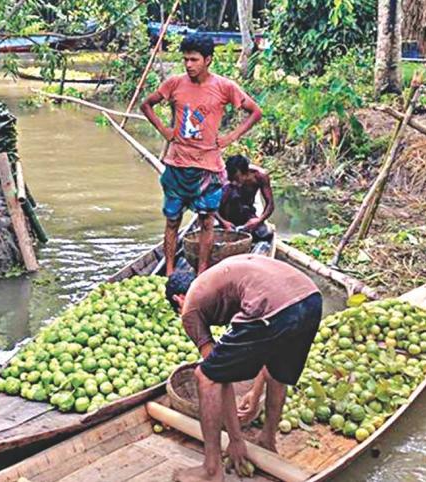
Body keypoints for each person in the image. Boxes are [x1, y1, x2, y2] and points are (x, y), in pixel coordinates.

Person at [165, 255, 322, 482]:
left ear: (178, 299)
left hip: (272, 305)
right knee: (278, 372)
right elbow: (268, 362)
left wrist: (236, 440)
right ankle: (268, 440)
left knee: (204, 377)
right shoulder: (218, 283)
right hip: (310, 299)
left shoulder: (189, 308)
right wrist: (254, 392)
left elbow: (218, 378)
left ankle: (211, 469)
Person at [141, 33, 262, 275]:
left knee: (207, 220)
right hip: (177, 165)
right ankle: (170, 272)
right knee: (172, 220)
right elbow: (146, 104)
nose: (188, 65)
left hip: (208, 166)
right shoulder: (174, 83)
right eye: (185, 59)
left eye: (194, 60)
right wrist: (165, 130)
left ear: (208, 60)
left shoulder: (224, 87)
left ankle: (202, 271)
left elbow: (255, 112)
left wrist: (230, 137)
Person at [216, 154, 275, 242]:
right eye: (231, 179)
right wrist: (223, 222)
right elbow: (209, 205)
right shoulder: (223, 176)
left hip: (246, 213)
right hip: (226, 215)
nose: (234, 182)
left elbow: (270, 204)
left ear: (246, 173)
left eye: (236, 178)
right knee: (230, 191)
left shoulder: (259, 176)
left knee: (265, 234)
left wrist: (258, 220)